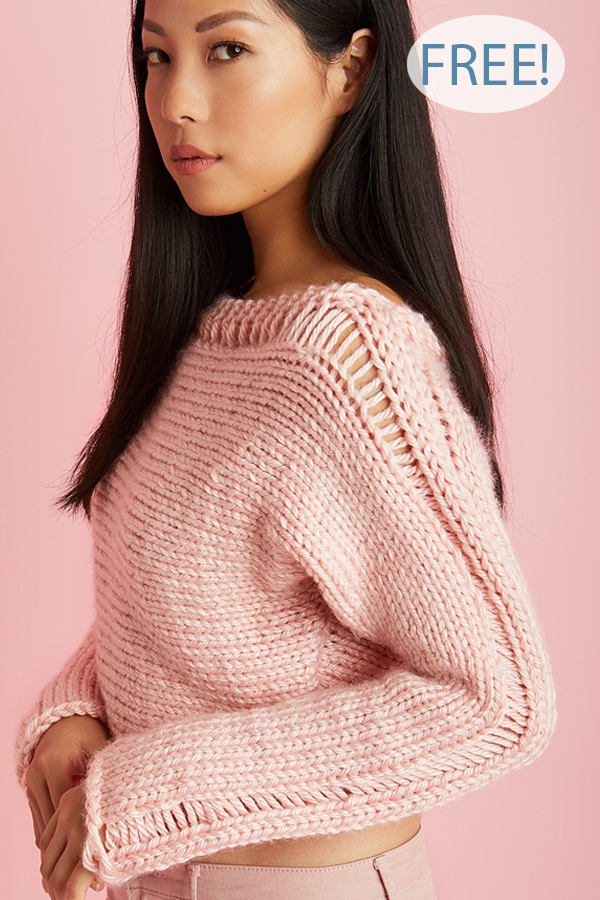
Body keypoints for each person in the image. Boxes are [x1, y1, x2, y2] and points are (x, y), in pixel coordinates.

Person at [14, 1, 558, 899]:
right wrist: (80, 705)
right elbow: (197, 604)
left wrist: (154, 787)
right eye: (156, 56)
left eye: (227, 48)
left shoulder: (348, 356)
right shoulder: (214, 329)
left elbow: (495, 701)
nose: (176, 103)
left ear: (350, 71)